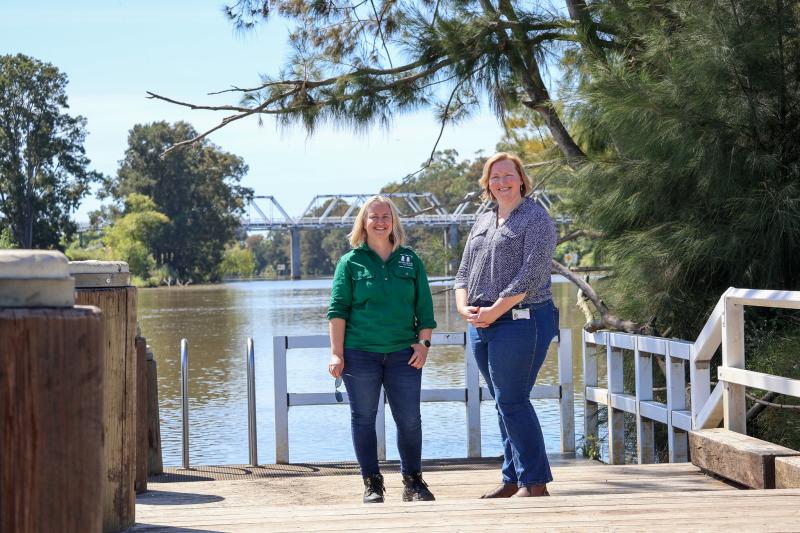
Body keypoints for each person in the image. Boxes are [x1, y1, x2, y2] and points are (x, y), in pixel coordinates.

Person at [454, 152, 558, 498]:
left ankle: (535, 482)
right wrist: (463, 306)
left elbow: (533, 273)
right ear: (487, 184)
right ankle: (511, 478)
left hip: (522, 319)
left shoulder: (536, 219)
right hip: (482, 322)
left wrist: (496, 309)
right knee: (503, 401)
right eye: (494, 177)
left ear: (521, 179)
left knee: (512, 400)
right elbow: (464, 271)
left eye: (507, 175)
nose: (501, 182)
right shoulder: (484, 218)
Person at [327, 195, 437, 503]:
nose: (380, 221)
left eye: (385, 216)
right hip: (360, 353)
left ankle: (413, 482)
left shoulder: (410, 259)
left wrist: (424, 344)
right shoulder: (350, 263)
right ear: (363, 222)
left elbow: (425, 310)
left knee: (410, 419)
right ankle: (372, 483)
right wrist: (337, 353)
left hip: (404, 353)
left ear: (394, 222)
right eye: (373, 216)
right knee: (363, 417)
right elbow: (337, 311)